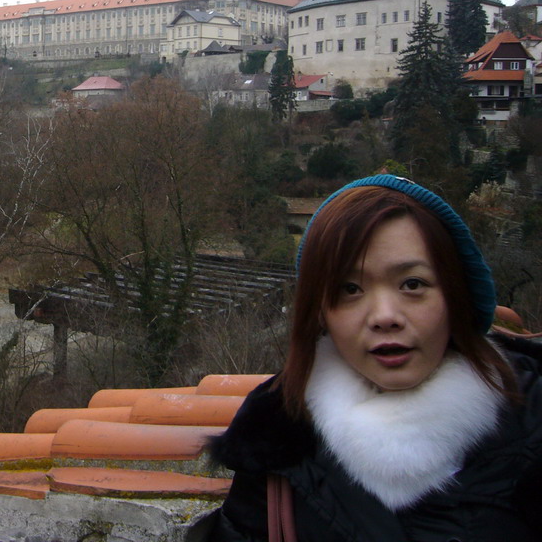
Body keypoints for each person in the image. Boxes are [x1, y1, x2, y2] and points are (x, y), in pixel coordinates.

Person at [208, 174, 542, 541]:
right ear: (320, 313)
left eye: (412, 284)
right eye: (349, 289)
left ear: (455, 296)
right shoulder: (273, 443)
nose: (384, 316)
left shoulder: (531, 422)